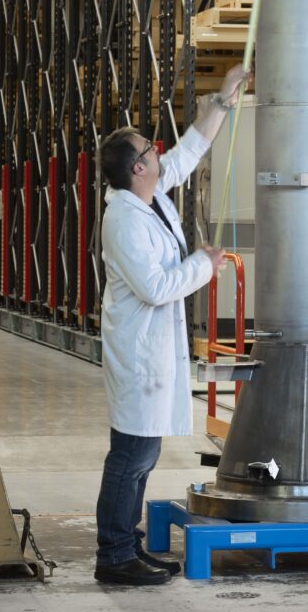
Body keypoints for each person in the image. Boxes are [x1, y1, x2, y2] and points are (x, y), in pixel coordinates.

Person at [93, 65, 249, 587]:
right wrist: (203, 263)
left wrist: (223, 101)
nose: (159, 153)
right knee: (131, 455)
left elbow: (189, 152)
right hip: (139, 355)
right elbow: (157, 288)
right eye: (150, 149)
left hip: (153, 352)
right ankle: (113, 555)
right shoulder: (123, 219)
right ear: (138, 167)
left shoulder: (149, 197)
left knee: (143, 453)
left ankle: (126, 547)